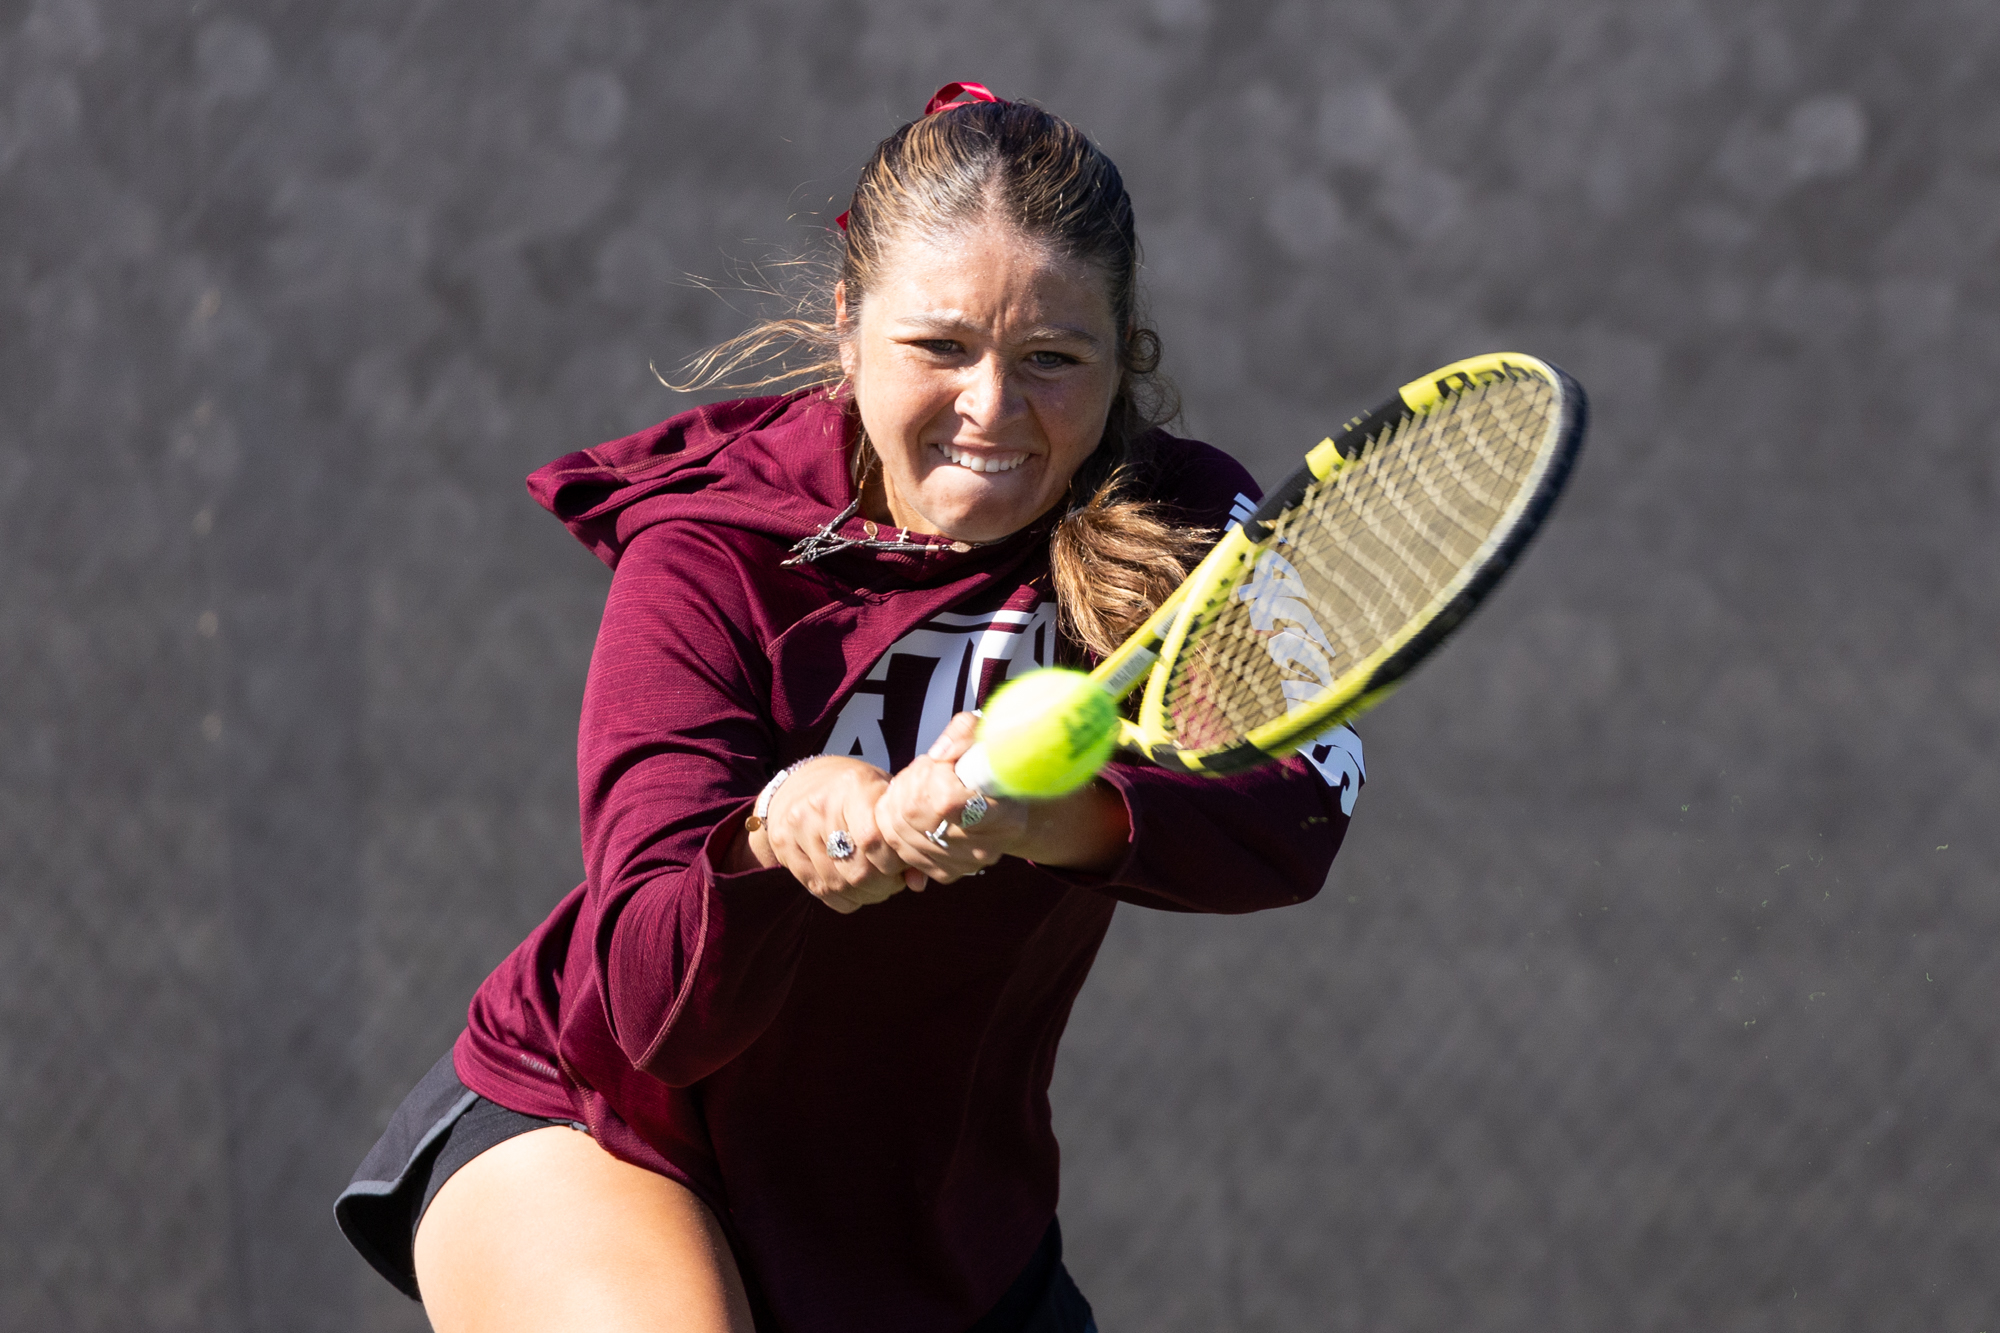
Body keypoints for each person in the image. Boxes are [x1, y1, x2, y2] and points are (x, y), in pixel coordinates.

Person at [337, 82, 1361, 1333]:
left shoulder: (1184, 527)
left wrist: (1051, 815)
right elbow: (649, 993)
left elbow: (1295, 812)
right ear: (846, 328)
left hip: (934, 1228)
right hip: (602, 1132)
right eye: (939, 348)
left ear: (1122, 350)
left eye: (1051, 358)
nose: (991, 409)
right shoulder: (710, 553)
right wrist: (780, 834)